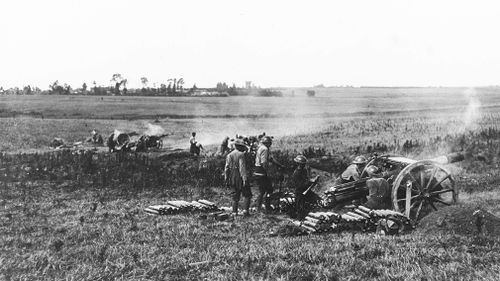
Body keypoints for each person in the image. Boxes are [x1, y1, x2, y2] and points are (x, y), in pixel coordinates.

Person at [254, 136, 283, 213]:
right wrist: (268, 173)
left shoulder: (261, 148)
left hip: (257, 171)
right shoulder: (265, 149)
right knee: (269, 190)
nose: (270, 144)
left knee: (262, 191)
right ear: (268, 143)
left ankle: (259, 207)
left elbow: (270, 159)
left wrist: (279, 165)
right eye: (270, 143)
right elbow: (264, 163)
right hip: (261, 172)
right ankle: (266, 207)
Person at [224, 139, 251, 216]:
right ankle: (245, 211)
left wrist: (226, 178)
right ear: (240, 147)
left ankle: (234, 212)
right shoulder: (241, 155)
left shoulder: (229, 155)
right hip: (239, 175)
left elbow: (226, 168)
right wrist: (244, 179)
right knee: (247, 194)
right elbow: (242, 168)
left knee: (235, 195)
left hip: (232, 175)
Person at [290, 155, 318, 219]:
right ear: (298, 164)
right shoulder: (296, 173)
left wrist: (311, 181)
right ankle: (299, 218)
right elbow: (300, 185)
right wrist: (309, 182)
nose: (303, 165)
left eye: (303, 164)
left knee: (316, 199)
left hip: (306, 190)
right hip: (300, 192)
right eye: (301, 164)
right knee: (300, 207)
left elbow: (306, 179)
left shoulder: (304, 170)